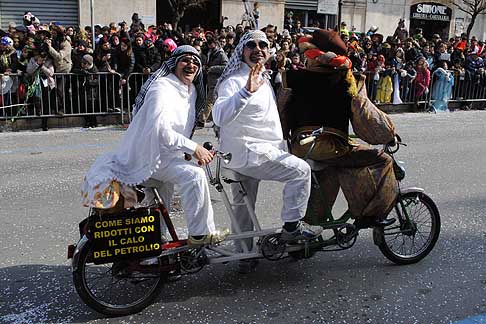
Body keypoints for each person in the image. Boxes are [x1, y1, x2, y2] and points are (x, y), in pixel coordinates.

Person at [81, 45, 225, 246]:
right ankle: (201, 235)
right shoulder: (162, 87)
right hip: (148, 157)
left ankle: (155, 253)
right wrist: (194, 148)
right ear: (174, 64)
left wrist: (186, 152)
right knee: (194, 176)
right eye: (185, 60)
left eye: (195, 62)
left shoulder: (189, 90)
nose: (191, 65)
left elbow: (177, 130)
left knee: (158, 211)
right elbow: (161, 131)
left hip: (164, 155)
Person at [212, 30, 323, 272]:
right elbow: (218, 116)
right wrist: (245, 92)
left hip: (242, 155)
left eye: (263, 44)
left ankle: (245, 255)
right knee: (301, 171)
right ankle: (292, 227)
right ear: (241, 51)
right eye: (251, 45)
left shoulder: (262, 77)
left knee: (243, 207)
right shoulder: (235, 81)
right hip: (251, 153)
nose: (257, 49)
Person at [284, 28, 397, 229]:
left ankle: (307, 230)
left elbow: (280, 115)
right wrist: (388, 134)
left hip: (299, 147)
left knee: (328, 173)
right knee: (382, 159)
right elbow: (366, 117)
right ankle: (372, 215)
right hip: (330, 147)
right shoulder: (346, 79)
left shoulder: (290, 77)